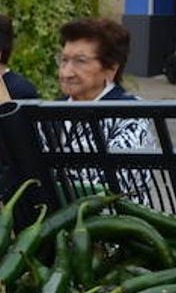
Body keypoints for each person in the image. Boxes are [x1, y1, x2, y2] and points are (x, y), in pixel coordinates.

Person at [49, 17, 155, 194]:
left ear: (111, 69)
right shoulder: (50, 112)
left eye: (80, 61)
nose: (66, 72)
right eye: (64, 60)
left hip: (113, 219)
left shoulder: (130, 114)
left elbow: (113, 184)